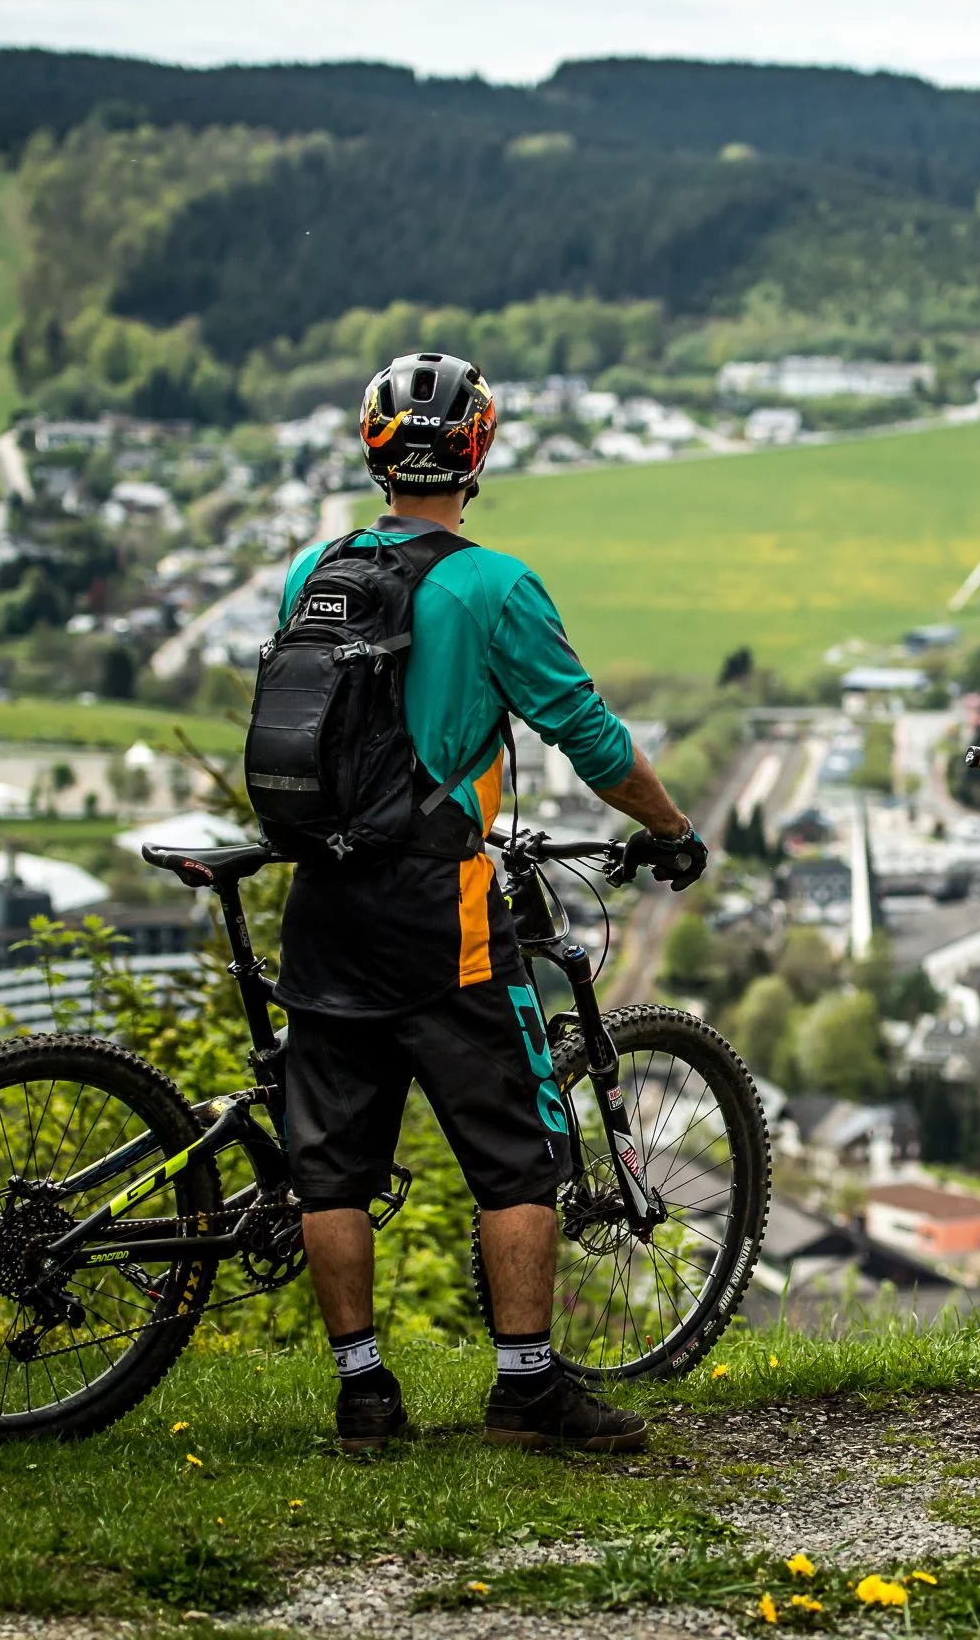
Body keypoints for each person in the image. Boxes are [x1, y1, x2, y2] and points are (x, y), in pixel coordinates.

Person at [276, 351, 707, 1454]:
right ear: (479, 452)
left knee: (333, 1159)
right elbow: (593, 740)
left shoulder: (312, 572)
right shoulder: (495, 584)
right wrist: (670, 828)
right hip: (440, 909)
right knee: (519, 1150)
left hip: (323, 896)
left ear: (376, 448)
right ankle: (526, 1387)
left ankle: (363, 1392)